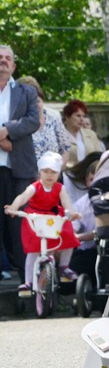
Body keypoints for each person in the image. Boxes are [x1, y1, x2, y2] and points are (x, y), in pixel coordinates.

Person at [4, 152, 81, 291]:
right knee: (33, 250)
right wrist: (14, 207)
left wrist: (72, 212)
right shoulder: (35, 186)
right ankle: (28, 282)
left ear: (58, 174)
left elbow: (66, 202)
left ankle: (64, 266)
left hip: (52, 217)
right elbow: (22, 197)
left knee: (69, 235)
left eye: (53, 172)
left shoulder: (59, 188)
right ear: (40, 172)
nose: (49, 175)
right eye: (45, 172)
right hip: (36, 218)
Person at [0, 45, 41, 281]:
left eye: (8, 58)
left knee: (19, 218)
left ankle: (22, 271)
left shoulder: (26, 92)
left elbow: (33, 121)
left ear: (14, 66)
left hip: (19, 166)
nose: (3, 61)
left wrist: (6, 132)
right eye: (0, 58)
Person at [17, 77, 71, 161]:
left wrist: (56, 170)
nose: (34, 105)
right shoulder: (16, 120)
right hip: (27, 172)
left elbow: (65, 150)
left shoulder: (54, 116)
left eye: (37, 101)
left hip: (54, 171)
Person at [61, 100, 105, 168]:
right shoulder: (59, 135)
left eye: (83, 116)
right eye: (78, 116)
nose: (82, 119)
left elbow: (99, 157)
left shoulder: (91, 134)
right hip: (67, 175)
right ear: (67, 117)